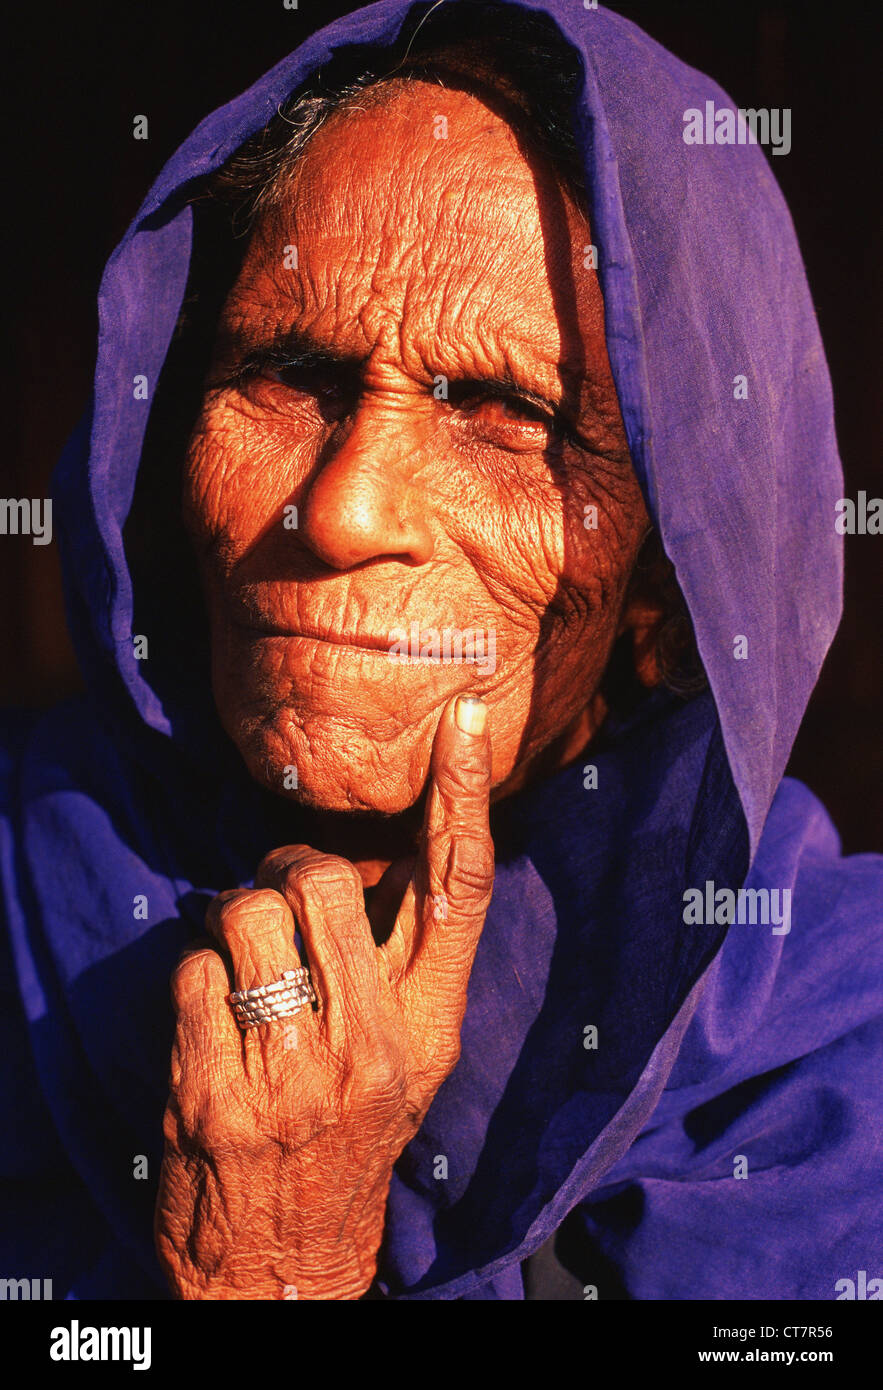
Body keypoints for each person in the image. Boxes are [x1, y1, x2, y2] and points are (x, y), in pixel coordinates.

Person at [2, 0, 880, 1301]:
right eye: (288, 372)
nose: (347, 506)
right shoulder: (37, 897)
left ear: (664, 578)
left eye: (498, 408)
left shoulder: (833, 1057)